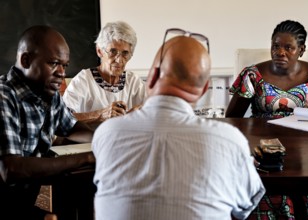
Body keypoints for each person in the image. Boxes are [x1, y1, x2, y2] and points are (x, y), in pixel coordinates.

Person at [92, 29, 265, 220]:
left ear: (151, 76)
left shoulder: (107, 133)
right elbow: (245, 206)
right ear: (205, 88)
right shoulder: (230, 141)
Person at [226, 20, 308, 219]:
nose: (280, 52)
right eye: (275, 46)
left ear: (301, 50)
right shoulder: (252, 75)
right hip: (265, 152)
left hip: (307, 153)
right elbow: (232, 119)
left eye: (288, 47)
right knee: (268, 192)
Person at [0, 25, 95, 220]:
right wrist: (86, 157)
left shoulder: (48, 93)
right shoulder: (4, 96)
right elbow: (11, 169)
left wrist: (102, 140)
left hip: (31, 193)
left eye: (65, 66)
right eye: (53, 63)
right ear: (26, 60)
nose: (61, 73)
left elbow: (72, 127)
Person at [63, 21, 146, 123]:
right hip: (91, 138)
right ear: (99, 51)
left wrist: (139, 113)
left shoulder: (133, 81)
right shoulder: (83, 80)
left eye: (125, 53)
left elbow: (155, 107)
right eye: (113, 51)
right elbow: (63, 118)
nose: (119, 60)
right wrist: (100, 115)